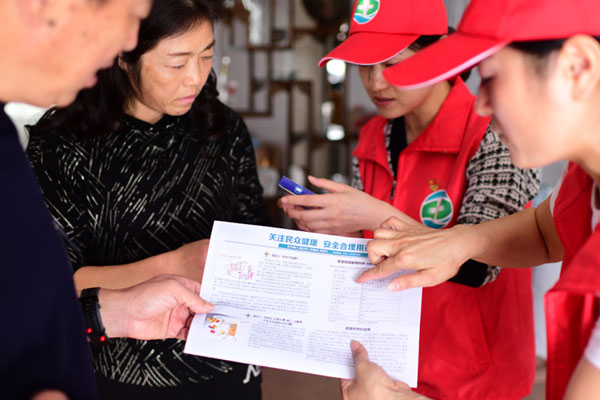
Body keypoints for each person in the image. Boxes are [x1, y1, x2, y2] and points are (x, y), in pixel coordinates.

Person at [280, 1, 539, 398]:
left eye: (391, 64)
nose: (375, 83)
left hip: (476, 373)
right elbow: (367, 250)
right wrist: (333, 226)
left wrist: (374, 214)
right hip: (389, 361)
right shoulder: (374, 135)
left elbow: (480, 265)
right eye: (365, 65)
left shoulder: (494, 132)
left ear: (438, 56)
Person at [342, 0, 600, 399]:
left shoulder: (485, 138)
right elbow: (543, 232)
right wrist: (459, 241)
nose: (480, 104)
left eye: (491, 78)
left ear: (577, 68)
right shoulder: (582, 183)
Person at [26, 0, 269, 398]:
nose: (195, 78)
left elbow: (255, 230)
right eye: (177, 63)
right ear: (124, 54)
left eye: (206, 56)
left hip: (227, 360)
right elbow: (52, 282)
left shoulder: (221, 128)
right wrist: (175, 265)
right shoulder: (64, 147)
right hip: (119, 374)